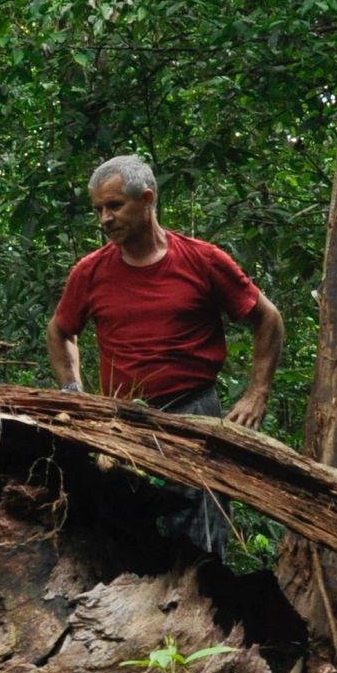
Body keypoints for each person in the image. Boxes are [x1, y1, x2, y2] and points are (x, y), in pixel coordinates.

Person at [45, 153, 286, 558]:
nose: (105, 218)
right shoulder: (90, 272)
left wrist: (256, 394)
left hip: (194, 411)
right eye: (99, 209)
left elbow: (267, 318)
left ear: (147, 199)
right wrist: (73, 391)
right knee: (122, 531)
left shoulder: (202, 260)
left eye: (114, 205)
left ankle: (201, 594)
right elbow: (60, 331)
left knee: (199, 535)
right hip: (123, 417)